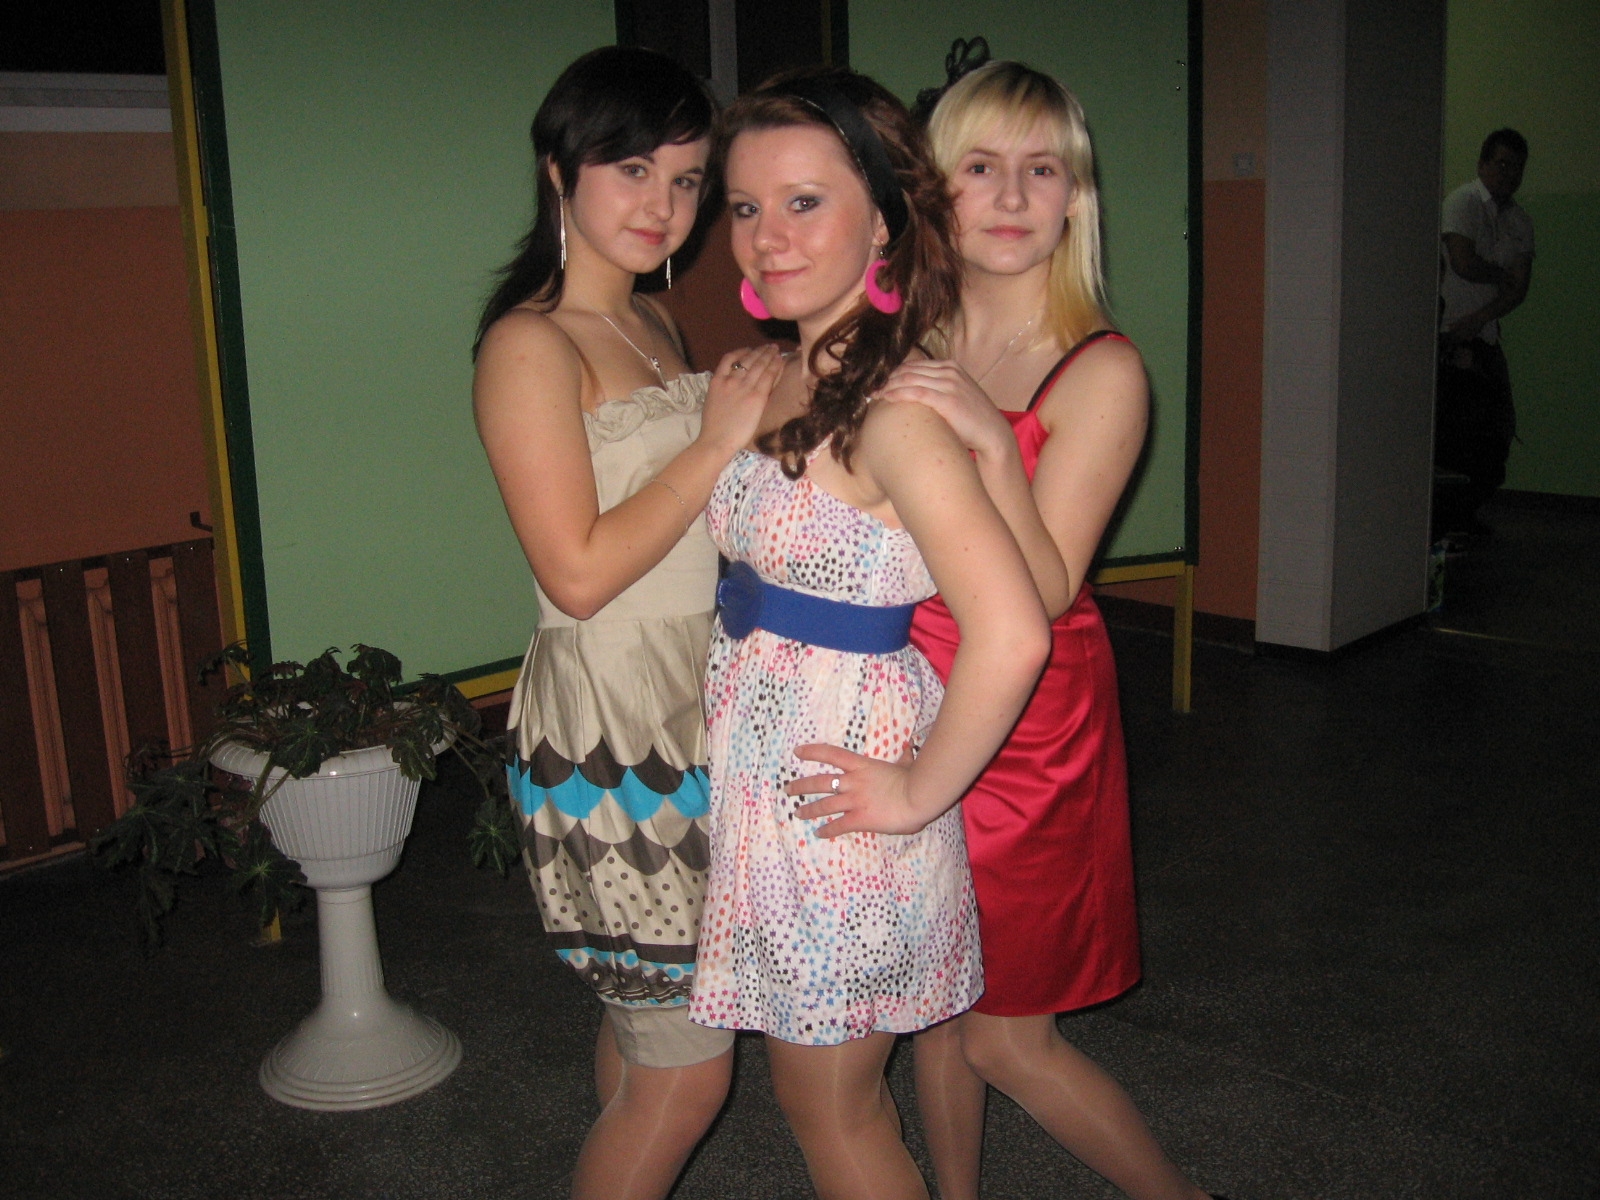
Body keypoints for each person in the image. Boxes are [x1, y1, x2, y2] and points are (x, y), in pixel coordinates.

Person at [799, 60, 1222, 1200]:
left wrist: (991, 441)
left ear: (1076, 198)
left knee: (1005, 1037)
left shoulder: (1102, 370)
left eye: (1043, 171)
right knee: (943, 1001)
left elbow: (1043, 589)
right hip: (909, 687)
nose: (1013, 195)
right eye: (981, 167)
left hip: (1029, 721)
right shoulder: (911, 335)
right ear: (935, 189)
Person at [686, 67, 1051, 1200]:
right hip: (775, 788)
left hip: (842, 801)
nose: (766, 237)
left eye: (805, 202)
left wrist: (914, 793)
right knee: (828, 1106)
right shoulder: (786, 375)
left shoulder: (895, 411)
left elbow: (1014, 632)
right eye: (745, 207)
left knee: (832, 1112)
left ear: (884, 219)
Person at [472, 46, 781, 1200]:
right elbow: (578, 571)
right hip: (613, 718)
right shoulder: (530, 343)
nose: (666, 205)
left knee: (644, 1017)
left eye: (689, 179)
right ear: (559, 171)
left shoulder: (652, 320)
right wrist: (717, 439)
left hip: (690, 690)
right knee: (685, 1071)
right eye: (634, 169)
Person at [1436, 128, 1534, 537]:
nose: (1509, 174)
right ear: (1482, 164)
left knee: (1497, 432)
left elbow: (1519, 289)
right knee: (1454, 435)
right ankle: (1444, 521)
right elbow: (1462, 262)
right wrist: (1501, 276)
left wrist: (1481, 317)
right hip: (1449, 337)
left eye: (1517, 168)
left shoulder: (1519, 221)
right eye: (1502, 164)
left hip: (1484, 334)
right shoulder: (1463, 202)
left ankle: (1464, 514)